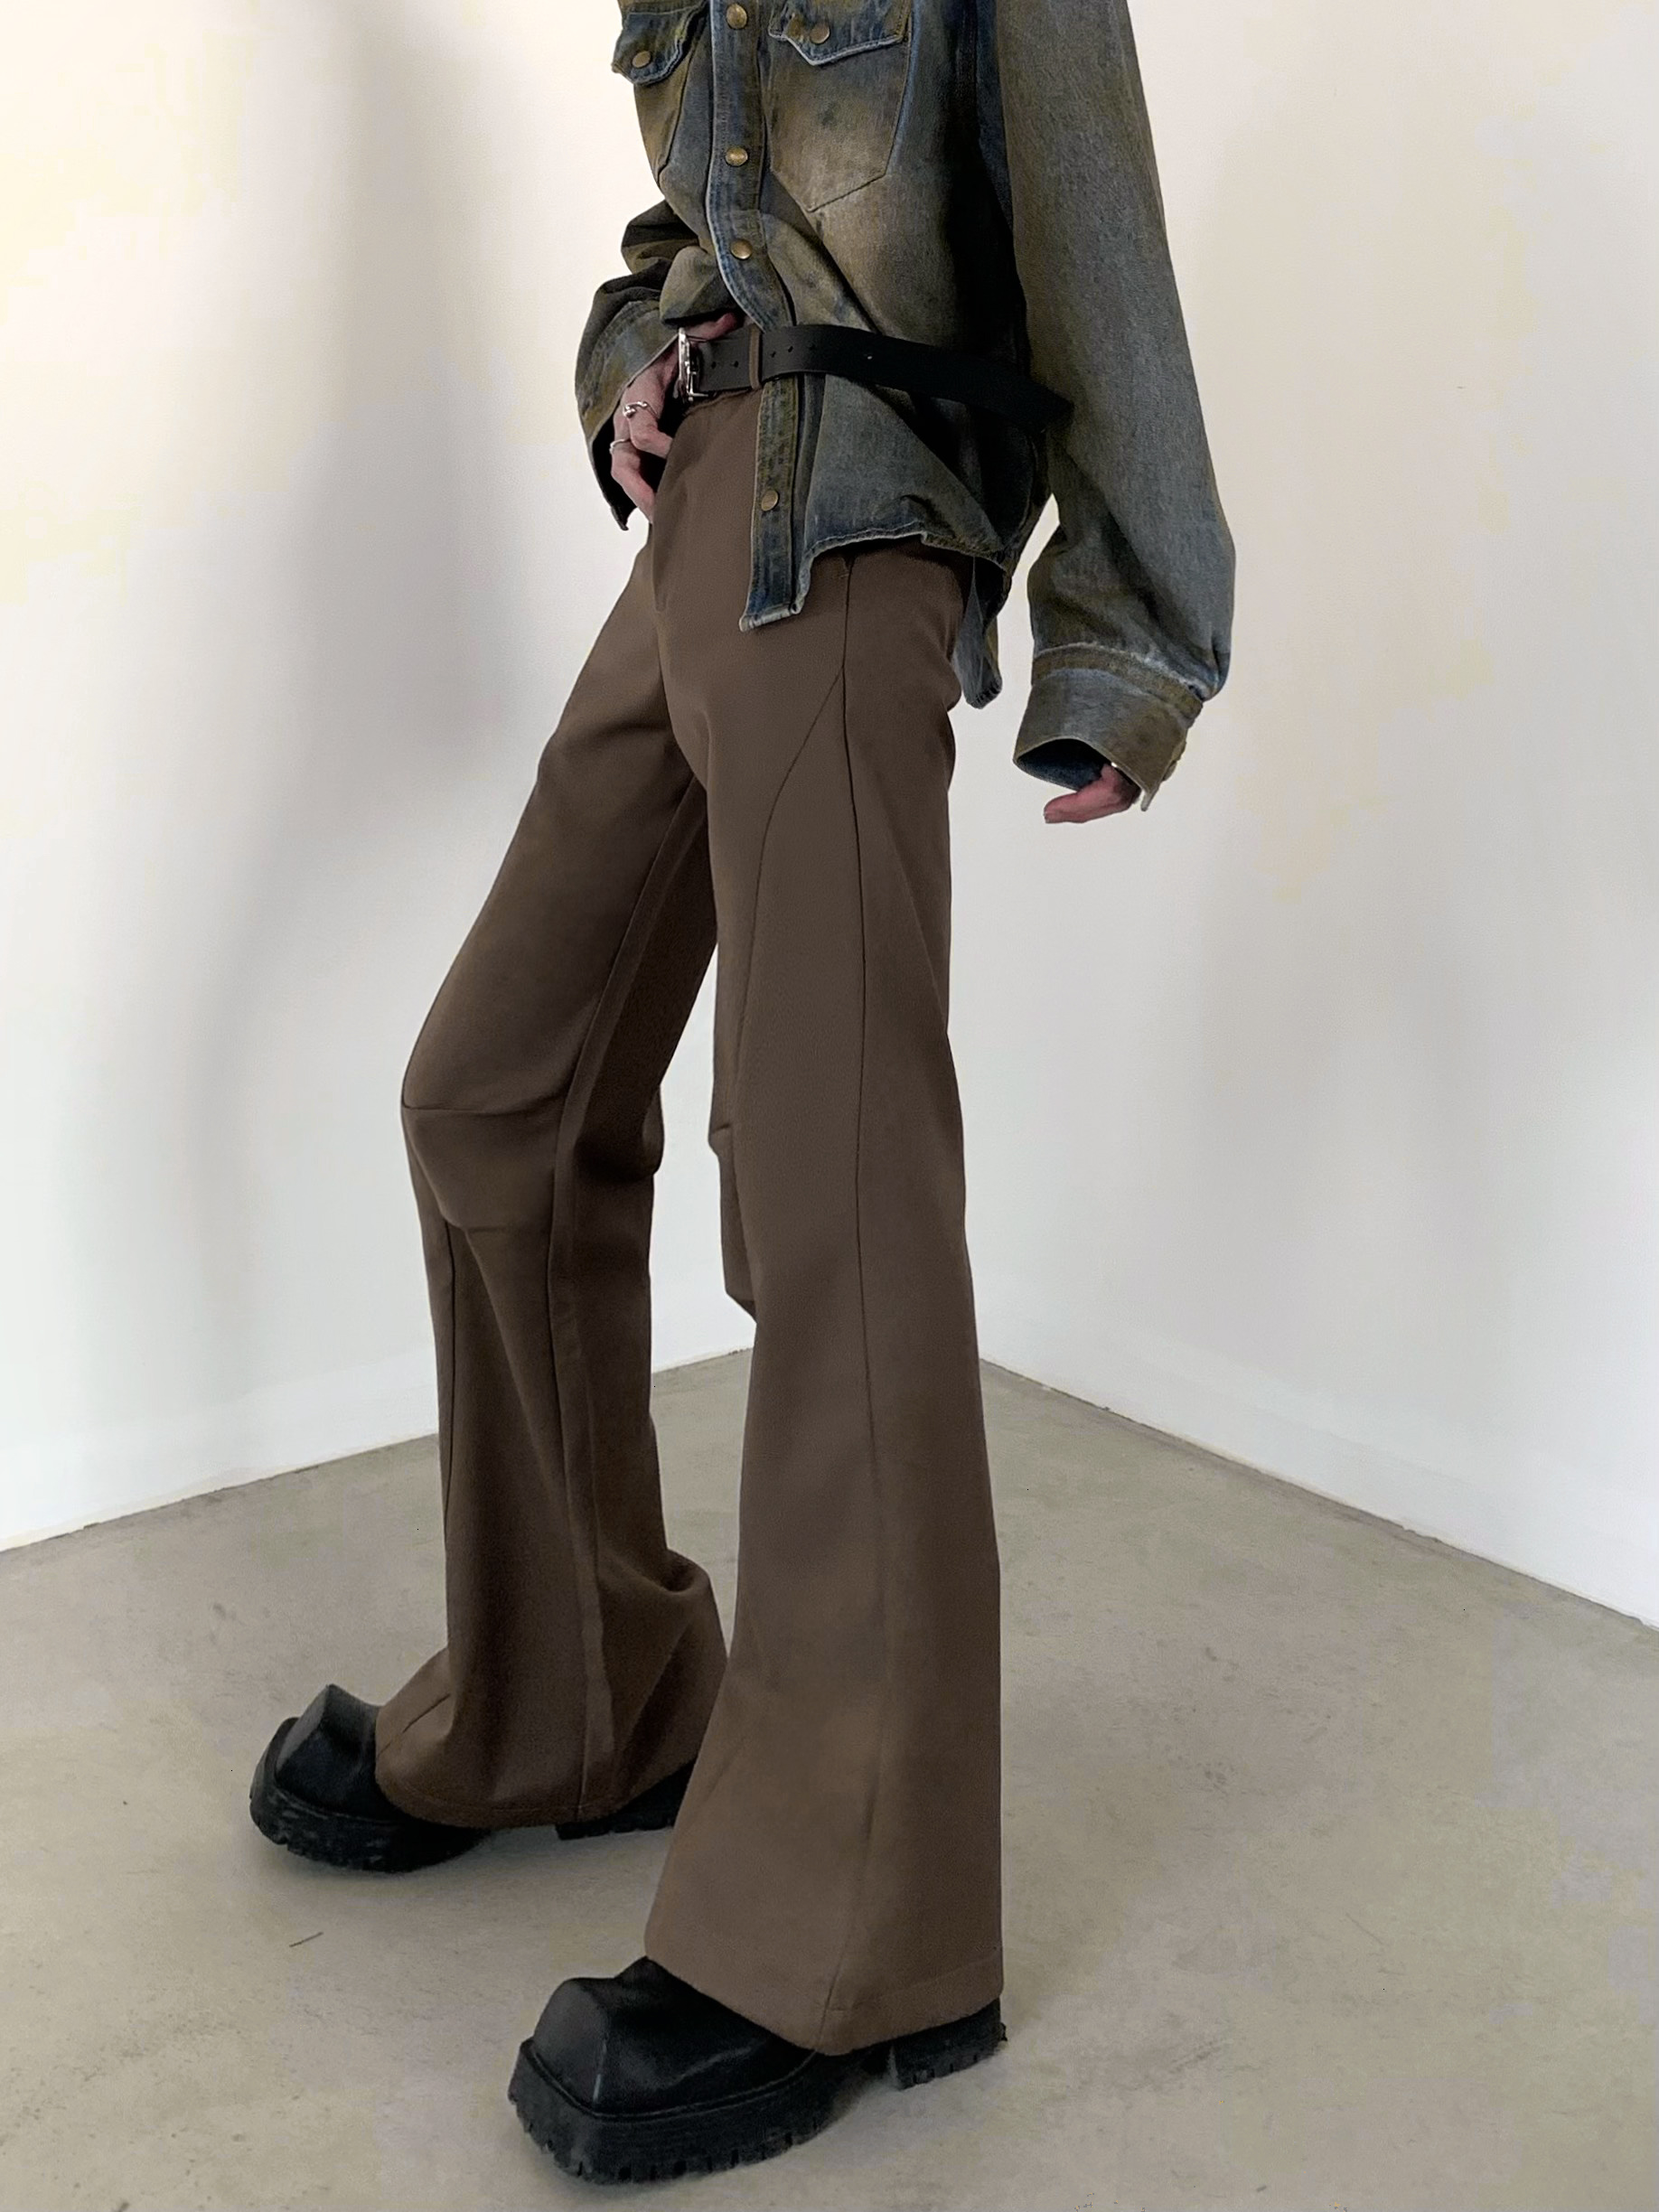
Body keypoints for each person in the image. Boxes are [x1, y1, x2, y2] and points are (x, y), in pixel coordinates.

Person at [248, 0, 1233, 2184]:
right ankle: (582, 1700)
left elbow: (1100, 236)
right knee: (492, 1092)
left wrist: (1130, 642)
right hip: (703, 523)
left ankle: (861, 1936)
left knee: (830, 1195)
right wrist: (633, 366)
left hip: (853, 539)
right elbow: (685, 231)